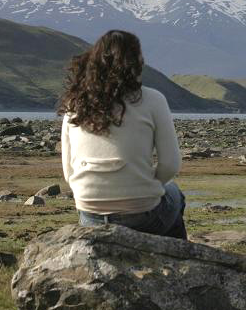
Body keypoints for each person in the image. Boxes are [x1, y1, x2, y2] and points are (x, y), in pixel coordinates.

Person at [57, 30, 187, 239]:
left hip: (89, 213)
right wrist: (146, 186)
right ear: (136, 62)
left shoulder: (75, 103)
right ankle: (177, 262)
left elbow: (68, 172)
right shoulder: (153, 100)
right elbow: (170, 165)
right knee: (175, 195)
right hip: (142, 214)